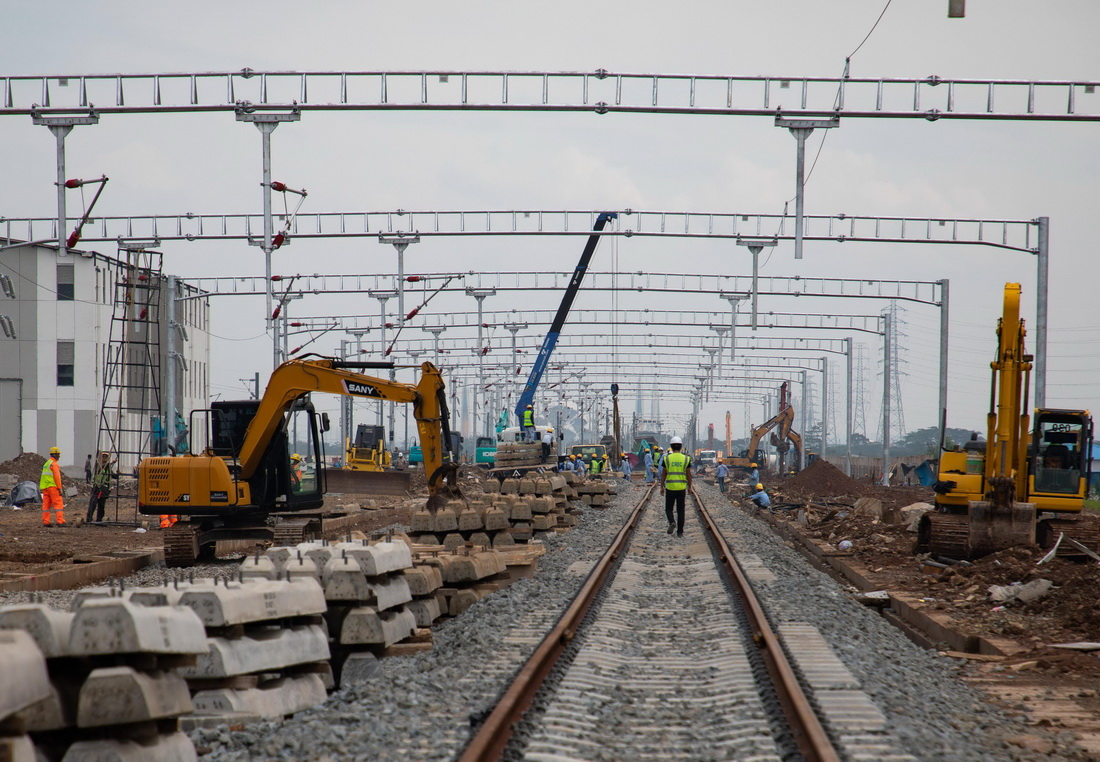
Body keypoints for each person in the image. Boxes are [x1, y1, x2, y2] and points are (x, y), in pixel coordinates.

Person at [659, 436, 692, 537]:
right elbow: (688, 474)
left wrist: (661, 487)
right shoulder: (686, 458)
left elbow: (664, 474)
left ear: (671, 447)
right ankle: (680, 532)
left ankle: (672, 522)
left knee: (668, 508)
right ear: (681, 446)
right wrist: (689, 486)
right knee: (681, 510)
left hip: (670, 487)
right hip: (681, 488)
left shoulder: (667, 458)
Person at [40, 447, 66, 527]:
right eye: (58, 454)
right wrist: (60, 488)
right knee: (58, 504)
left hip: (45, 487)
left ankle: (46, 521)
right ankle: (60, 521)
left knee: (46, 505)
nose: (59, 456)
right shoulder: (54, 464)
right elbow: (57, 477)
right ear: (54, 454)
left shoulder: (46, 463)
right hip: (53, 487)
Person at [86, 451, 115, 523]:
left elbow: (113, 475)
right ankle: (89, 519)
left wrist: (118, 474)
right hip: (96, 487)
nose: (104, 458)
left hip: (104, 488)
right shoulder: (98, 465)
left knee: (101, 505)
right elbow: (100, 470)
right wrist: (110, 464)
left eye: (106, 457)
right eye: (103, 456)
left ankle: (99, 520)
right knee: (93, 503)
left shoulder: (108, 468)